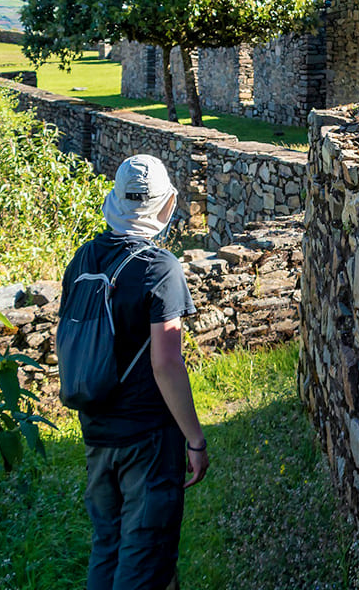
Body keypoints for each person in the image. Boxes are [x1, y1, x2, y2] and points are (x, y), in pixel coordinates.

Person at [63, 154, 210, 590]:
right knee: (144, 559)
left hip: (98, 430)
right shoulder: (158, 268)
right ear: (164, 205)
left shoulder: (84, 258)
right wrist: (195, 440)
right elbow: (166, 363)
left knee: (107, 547)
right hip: (146, 436)